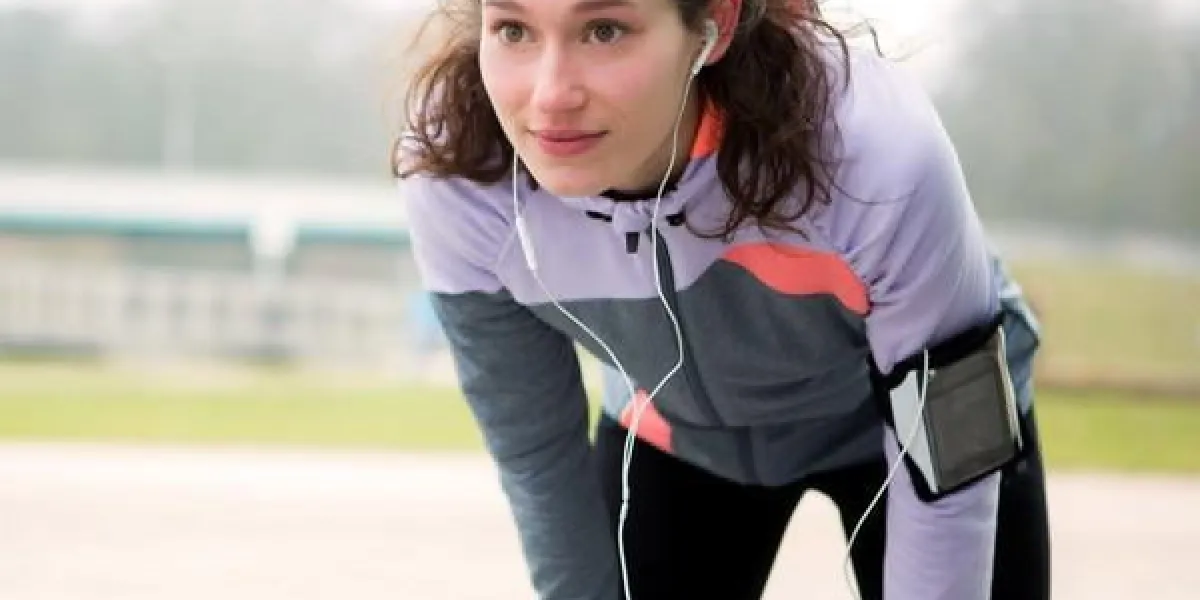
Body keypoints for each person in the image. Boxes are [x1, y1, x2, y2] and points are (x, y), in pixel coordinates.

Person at [393, 1, 1051, 599]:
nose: (549, 95)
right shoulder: (458, 173)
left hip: (894, 426)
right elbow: (537, 454)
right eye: (513, 29)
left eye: (604, 30)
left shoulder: (873, 151)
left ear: (714, 25)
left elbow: (949, 467)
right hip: (675, 435)